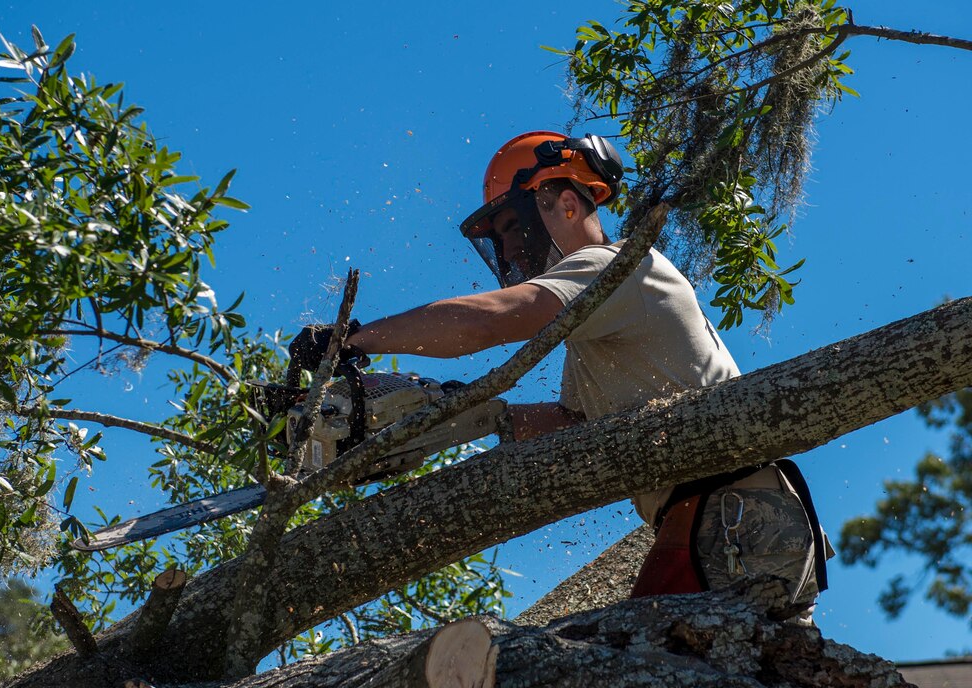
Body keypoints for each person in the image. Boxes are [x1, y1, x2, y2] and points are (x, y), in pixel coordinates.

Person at [290, 130, 827, 619]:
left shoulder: (616, 266)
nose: (508, 248)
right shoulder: (600, 318)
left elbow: (495, 318)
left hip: (732, 510)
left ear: (567, 203)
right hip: (726, 510)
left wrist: (352, 340)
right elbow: (577, 421)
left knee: (628, 669)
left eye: (512, 226)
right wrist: (468, 417)